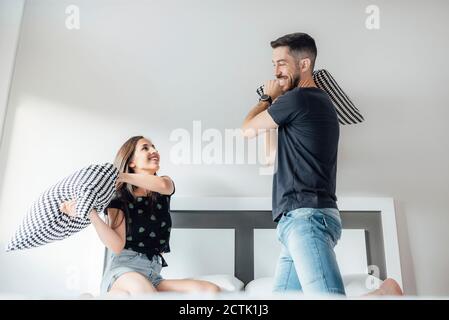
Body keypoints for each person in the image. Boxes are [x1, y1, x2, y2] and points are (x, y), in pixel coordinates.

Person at [242, 32, 403, 297]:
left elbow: (247, 129)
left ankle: (385, 293)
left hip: (306, 217)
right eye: (273, 64)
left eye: (281, 63)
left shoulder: (299, 99)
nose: (276, 71)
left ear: (304, 64)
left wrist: (266, 99)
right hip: (298, 218)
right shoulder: (313, 103)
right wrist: (275, 108)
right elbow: (270, 158)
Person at [61, 136, 220, 296]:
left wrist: (119, 175)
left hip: (153, 275)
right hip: (124, 272)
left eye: (154, 147)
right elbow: (116, 246)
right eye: (145, 148)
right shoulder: (119, 197)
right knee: (143, 292)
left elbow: (164, 186)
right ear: (131, 162)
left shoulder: (164, 185)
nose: (154, 151)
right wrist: (91, 213)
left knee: (210, 291)